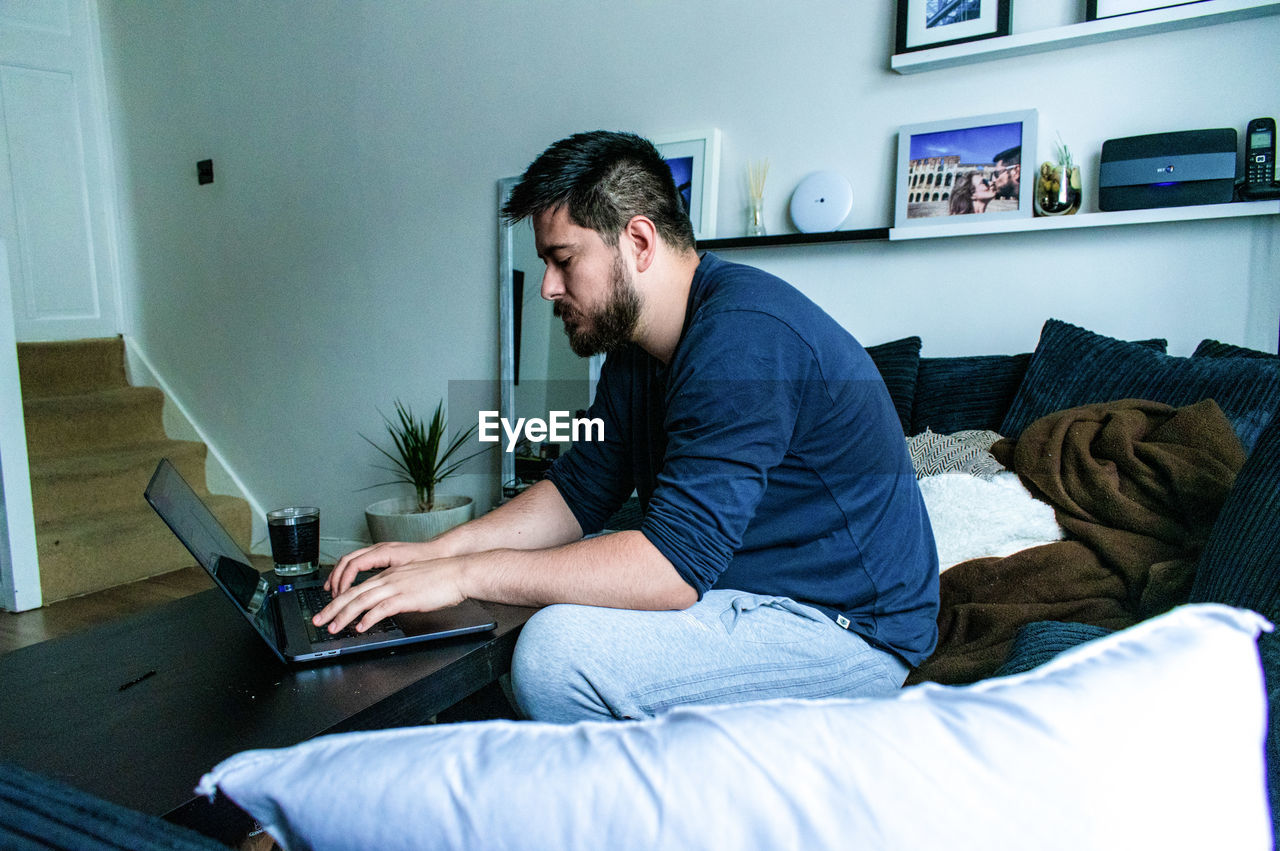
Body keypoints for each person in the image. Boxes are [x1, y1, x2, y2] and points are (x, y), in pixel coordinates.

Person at [314, 131, 939, 723]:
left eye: (562, 260)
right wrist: (438, 551)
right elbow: (577, 492)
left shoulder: (745, 337)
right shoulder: (635, 350)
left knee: (554, 653)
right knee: (500, 604)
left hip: (845, 631)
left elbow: (668, 569)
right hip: (746, 596)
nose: (547, 289)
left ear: (638, 242)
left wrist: (466, 573)